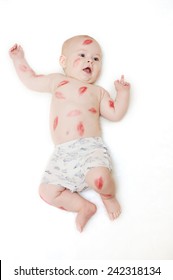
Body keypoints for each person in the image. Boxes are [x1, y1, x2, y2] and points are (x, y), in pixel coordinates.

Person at [9, 35, 130, 232]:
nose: (89, 60)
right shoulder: (58, 81)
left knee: (100, 179)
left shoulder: (98, 92)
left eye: (96, 59)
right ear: (63, 62)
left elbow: (115, 114)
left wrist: (122, 94)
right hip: (63, 154)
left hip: (90, 147)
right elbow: (30, 80)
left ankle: (108, 196)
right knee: (47, 191)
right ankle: (83, 206)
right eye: (82, 55)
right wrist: (18, 59)